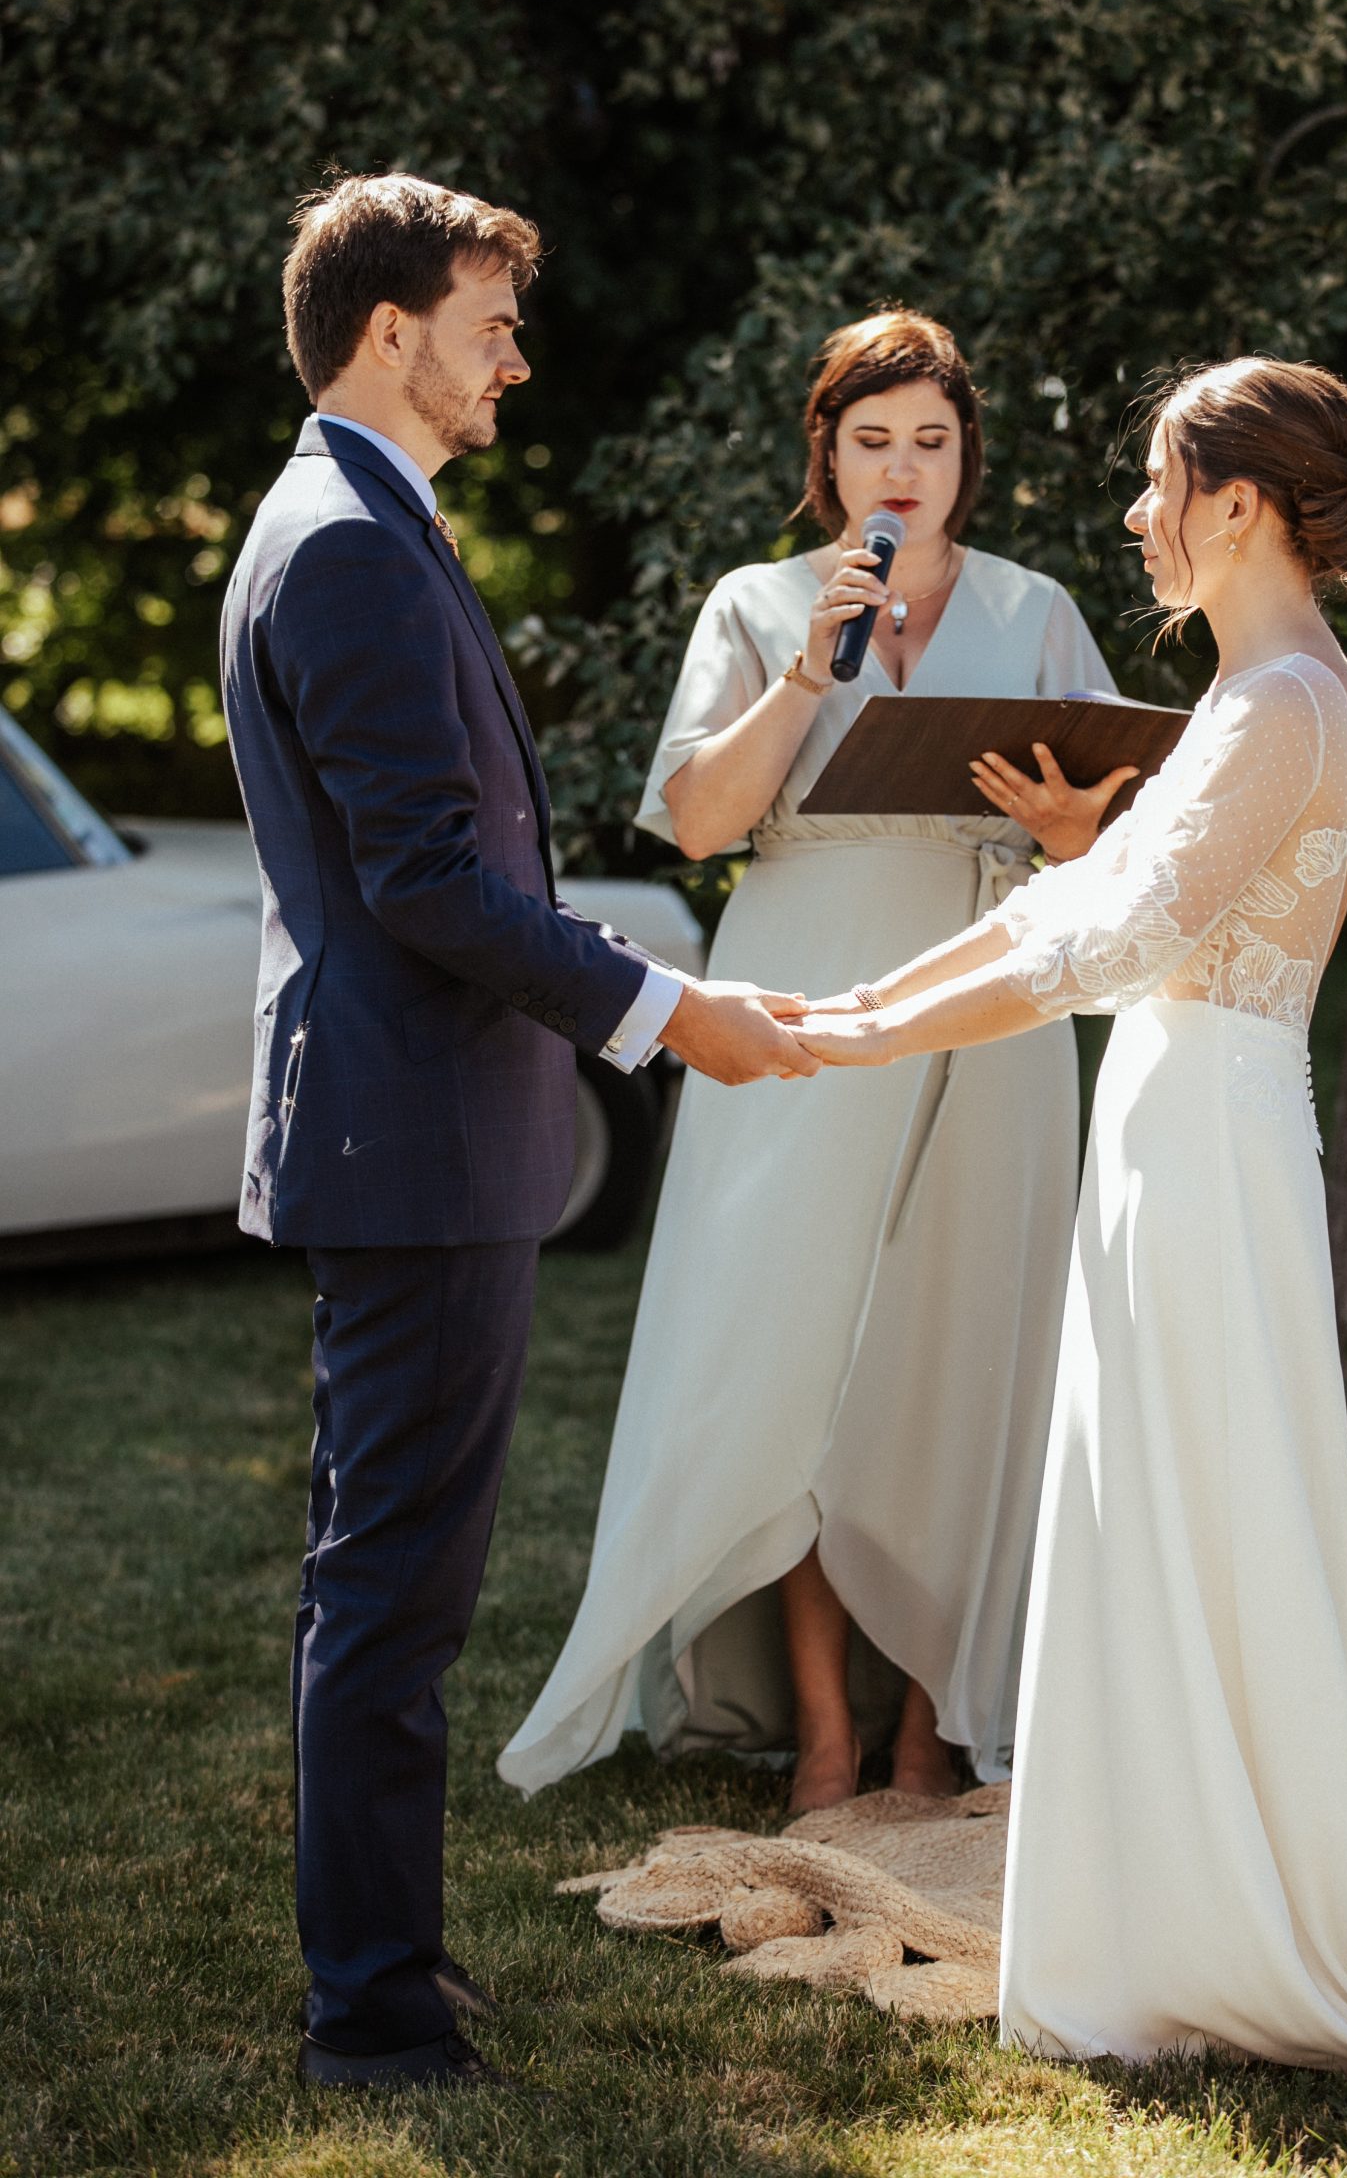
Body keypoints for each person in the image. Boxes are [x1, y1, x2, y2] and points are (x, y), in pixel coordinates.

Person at [791, 358, 1347, 2076]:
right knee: (1162, 1509)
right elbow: (1088, 906)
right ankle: (1169, 1899)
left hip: (1208, 1153)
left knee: (1194, 1513)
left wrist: (845, 1032)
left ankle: (1217, 1924)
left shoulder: (1287, 705)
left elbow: (1092, 950)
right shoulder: (1264, 700)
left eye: (1161, 486)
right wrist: (847, 1010)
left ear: (1241, 506)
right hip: (1183, 1134)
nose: (1141, 516)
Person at [220, 172, 817, 2092]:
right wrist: (668, 1015)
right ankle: (371, 2015)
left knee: (394, 1579)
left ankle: (389, 1964)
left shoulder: (363, 523)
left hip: (417, 1119)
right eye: (491, 325)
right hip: (412, 1132)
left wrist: (612, 951)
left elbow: (450, 864)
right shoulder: (350, 547)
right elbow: (421, 884)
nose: (515, 361)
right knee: (391, 1590)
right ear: (391, 335)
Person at [500, 310, 1133, 1813]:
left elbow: (1124, 825)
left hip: (989, 996)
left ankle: (929, 1729)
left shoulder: (1038, 606)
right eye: (873, 443)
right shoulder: (756, 604)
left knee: (966, 1348)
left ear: (968, 455)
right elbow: (704, 825)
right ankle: (825, 1738)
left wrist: (1072, 836)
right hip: (795, 998)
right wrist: (804, 675)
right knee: (797, 1353)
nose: (904, 469)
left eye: (932, 440)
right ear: (826, 458)